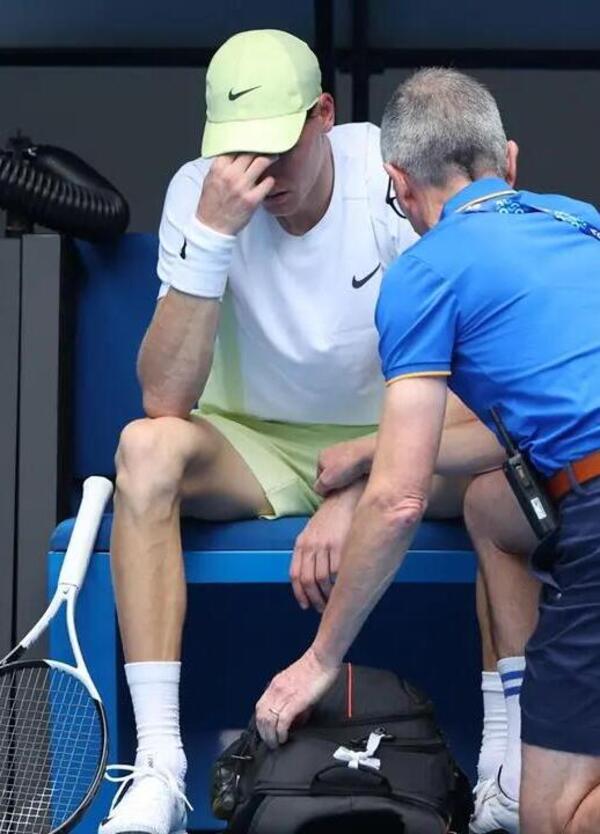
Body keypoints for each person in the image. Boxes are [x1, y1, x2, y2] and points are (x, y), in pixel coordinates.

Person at [100, 33, 481, 834]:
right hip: (252, 446)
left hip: (395, 440)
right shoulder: (199, 194)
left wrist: (357, 488)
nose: (258, 171)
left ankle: (509, 763)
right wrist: (210, 237)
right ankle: (161, 764)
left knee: (502, 473)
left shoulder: (389, 178)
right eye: (237, 150)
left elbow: (469, 371)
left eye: (276, 144)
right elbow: (165, 397)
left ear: (324, 117)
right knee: (144, 449)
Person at [256, 67, 600, 834]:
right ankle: (509, 760)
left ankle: (526, 784)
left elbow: (401, 498)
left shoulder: (427, 271)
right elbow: (538, 431)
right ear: (508, 161)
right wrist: (373, 451)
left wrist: (320, 658)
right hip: (584, 483)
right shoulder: (581, 221)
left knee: (563, 816)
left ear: (397, 184)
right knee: (492, 504)